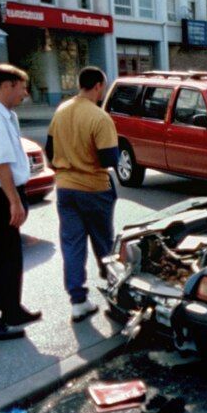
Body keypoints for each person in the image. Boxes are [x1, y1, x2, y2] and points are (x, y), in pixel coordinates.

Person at [0, 64, 42, 341]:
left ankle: (11, 309)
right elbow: (1, 164)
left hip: (4, 193)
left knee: (11, 256)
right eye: (22, 87)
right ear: (7, 85)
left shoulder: (4, 114)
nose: (25, 93)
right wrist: (14, 201)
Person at [46, 67, 119, 322]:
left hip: (65, 188)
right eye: (104, 87)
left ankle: (78, 301)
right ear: (98, 86)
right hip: (94, 188)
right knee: (104, 243)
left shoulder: (61, 110)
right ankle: (115, 293)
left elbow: (49, 151)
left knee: (72, 245)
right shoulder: (99, 118)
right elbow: (109, 159)